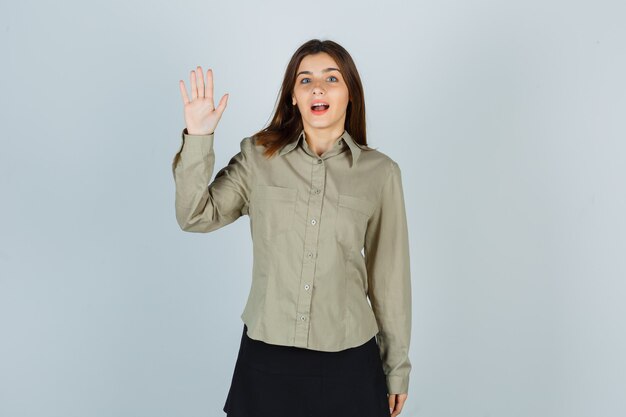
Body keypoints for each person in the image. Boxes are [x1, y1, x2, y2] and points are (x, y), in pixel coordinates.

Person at [172, 39, 411, 417]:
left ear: (350, 93)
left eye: (331, 78)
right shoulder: (257, 157)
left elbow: (389, 278)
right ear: (293, 98)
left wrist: (396, 369)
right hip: (267, 359)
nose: (318, 87)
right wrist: (199, 137)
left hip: (349, 361)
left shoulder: (380, 173)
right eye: (305, 80)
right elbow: (195, 215)